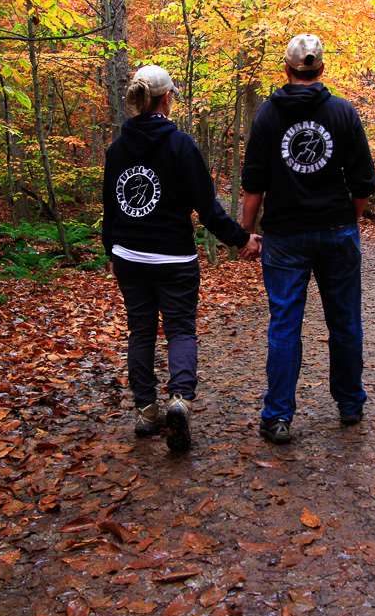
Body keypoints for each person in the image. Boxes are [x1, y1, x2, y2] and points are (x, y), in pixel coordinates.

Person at [103, 65, 261, 452]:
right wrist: (241, 239)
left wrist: (112, 250)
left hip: (129, 257)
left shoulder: (116, 149)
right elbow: (207, 209)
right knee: (179, 330)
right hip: (173, 257)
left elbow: (110, 209)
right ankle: (179, 401)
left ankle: (145, 411)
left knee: (140, 330)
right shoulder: (181, 146)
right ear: (165, 99)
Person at [241, 34, 375, 445]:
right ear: (321, 69)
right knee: (345, 320)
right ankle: (350, 404)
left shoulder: (268, 115)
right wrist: (347, 221)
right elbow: (363, 182)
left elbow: (254, 183)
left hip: (284, 237)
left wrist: (247, 232)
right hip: (337, 231)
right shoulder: (343, 112)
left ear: (287, 69)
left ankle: (278, 416)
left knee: (285, 324)